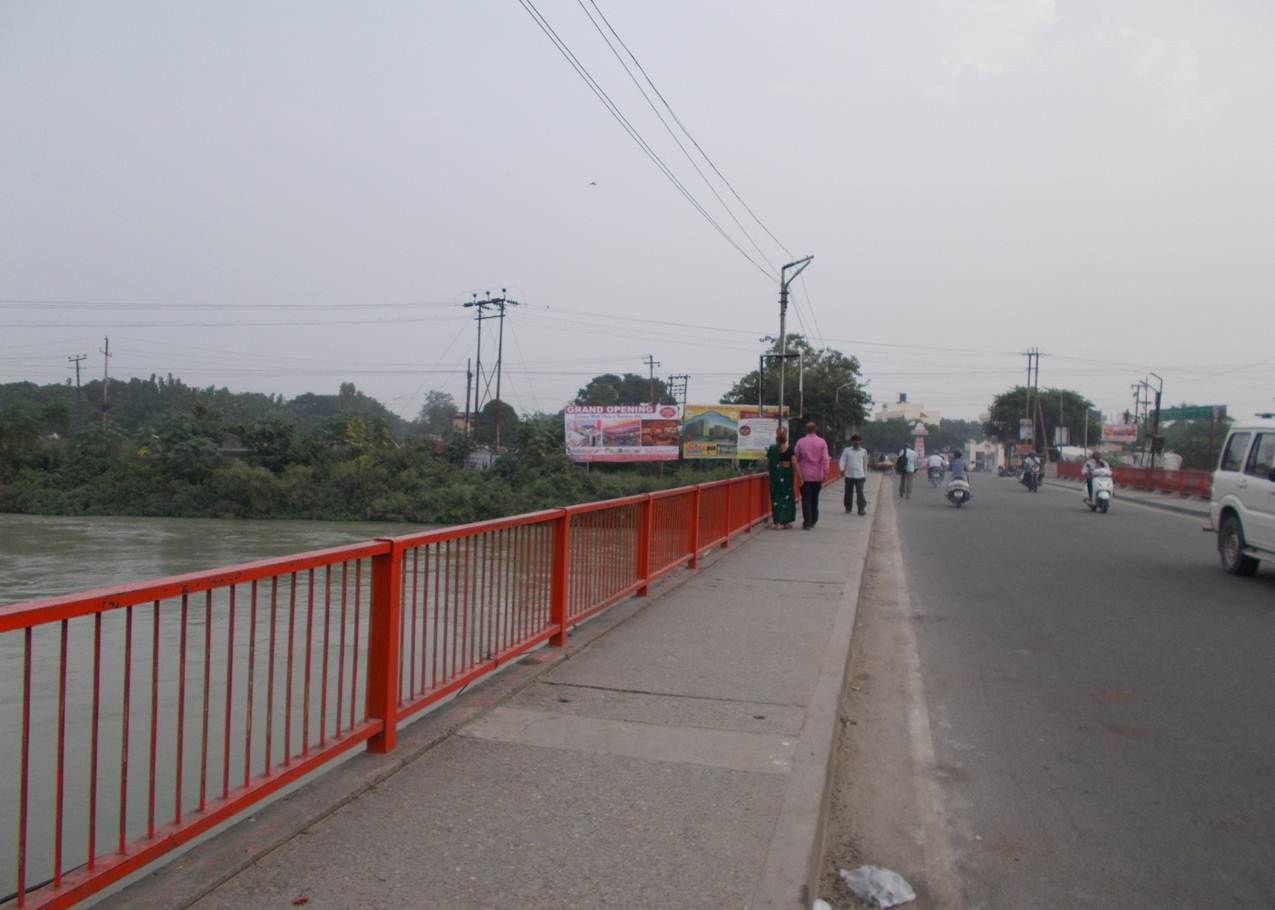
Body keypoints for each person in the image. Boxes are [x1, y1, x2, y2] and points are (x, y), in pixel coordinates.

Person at [793, 421, 830, 529]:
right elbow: (825, 459)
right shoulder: (822, 442)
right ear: (815, 429)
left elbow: (796, 457)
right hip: (817, 475)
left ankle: (807, 522)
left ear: (806, 429)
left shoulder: (800, 442)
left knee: (805, 499)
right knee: (814, 498)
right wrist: (826, 474)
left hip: (804, 475)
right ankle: (814, 519)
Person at [765, 428, 801, 528]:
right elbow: (794, 463)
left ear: (776, 440)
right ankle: (786, 522)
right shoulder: (789, 450)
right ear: (785, 440)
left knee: (776, 497)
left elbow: (767, 464)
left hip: (775, 477)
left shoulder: (772, 449)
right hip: (787, 476)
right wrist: (800, 477)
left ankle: (777, 522)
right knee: (787, 497)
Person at [839, 434, 869, 515]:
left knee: (860, 493)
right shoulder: (847, 450)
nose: (856, 442)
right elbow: (842, 460)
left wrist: (865, 475)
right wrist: (841, 469)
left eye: (858, 441)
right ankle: (848, 508)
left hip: (860, 475)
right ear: (852, 442)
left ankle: (861, 509)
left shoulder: (863, 451)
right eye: (855, 441)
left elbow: (865, 464)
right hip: (849, 475)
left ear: (860, 442)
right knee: (848, 492)